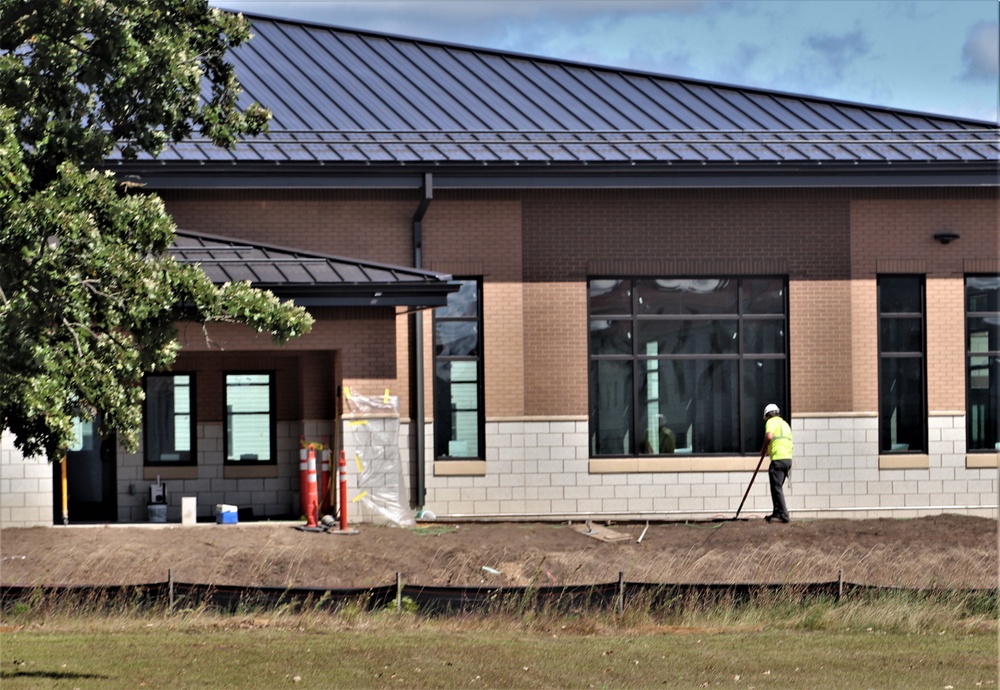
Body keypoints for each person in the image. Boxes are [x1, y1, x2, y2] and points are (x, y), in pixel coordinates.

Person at [760, 403, 792, 523]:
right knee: (776, 487)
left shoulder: (771, 422)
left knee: (776, 487)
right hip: (787, 459)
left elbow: (769, 437)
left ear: (768, 415)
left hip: (778, 459)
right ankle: (777, 512)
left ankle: (784, 515)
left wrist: (764, 448)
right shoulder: (785, 424)